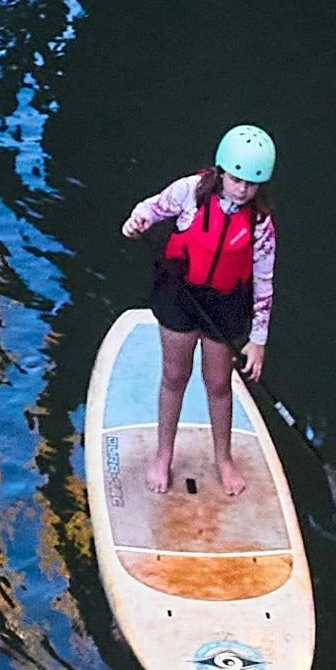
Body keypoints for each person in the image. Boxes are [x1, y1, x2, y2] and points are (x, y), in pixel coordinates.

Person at [120, 126, 281, 501]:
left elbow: (264, 282)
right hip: (180, 294)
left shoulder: (261, 225)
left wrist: (258, 341)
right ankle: (163, 454)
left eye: (252, 184)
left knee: (219, 385)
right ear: (222, 171)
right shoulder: (190, 191)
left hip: (223, 305)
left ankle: (223, 459)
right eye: (237, 179)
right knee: (175, 376)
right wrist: (136, 221)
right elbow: (152, 207)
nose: (242, 190)